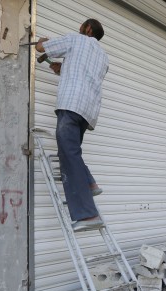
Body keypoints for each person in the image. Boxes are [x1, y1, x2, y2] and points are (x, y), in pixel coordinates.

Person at [36, 19, 109, 231]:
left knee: (68, 154)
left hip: (71, 103)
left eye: (81, 26)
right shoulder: (103, 58)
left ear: (87, 29)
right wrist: (62, 67)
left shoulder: (76, 40)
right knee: (72, 151)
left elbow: (43, 47)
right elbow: (84, 74)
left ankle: (87, 215)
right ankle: (89, 182)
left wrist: (41, 42)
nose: (79, 29)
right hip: (87, 111)